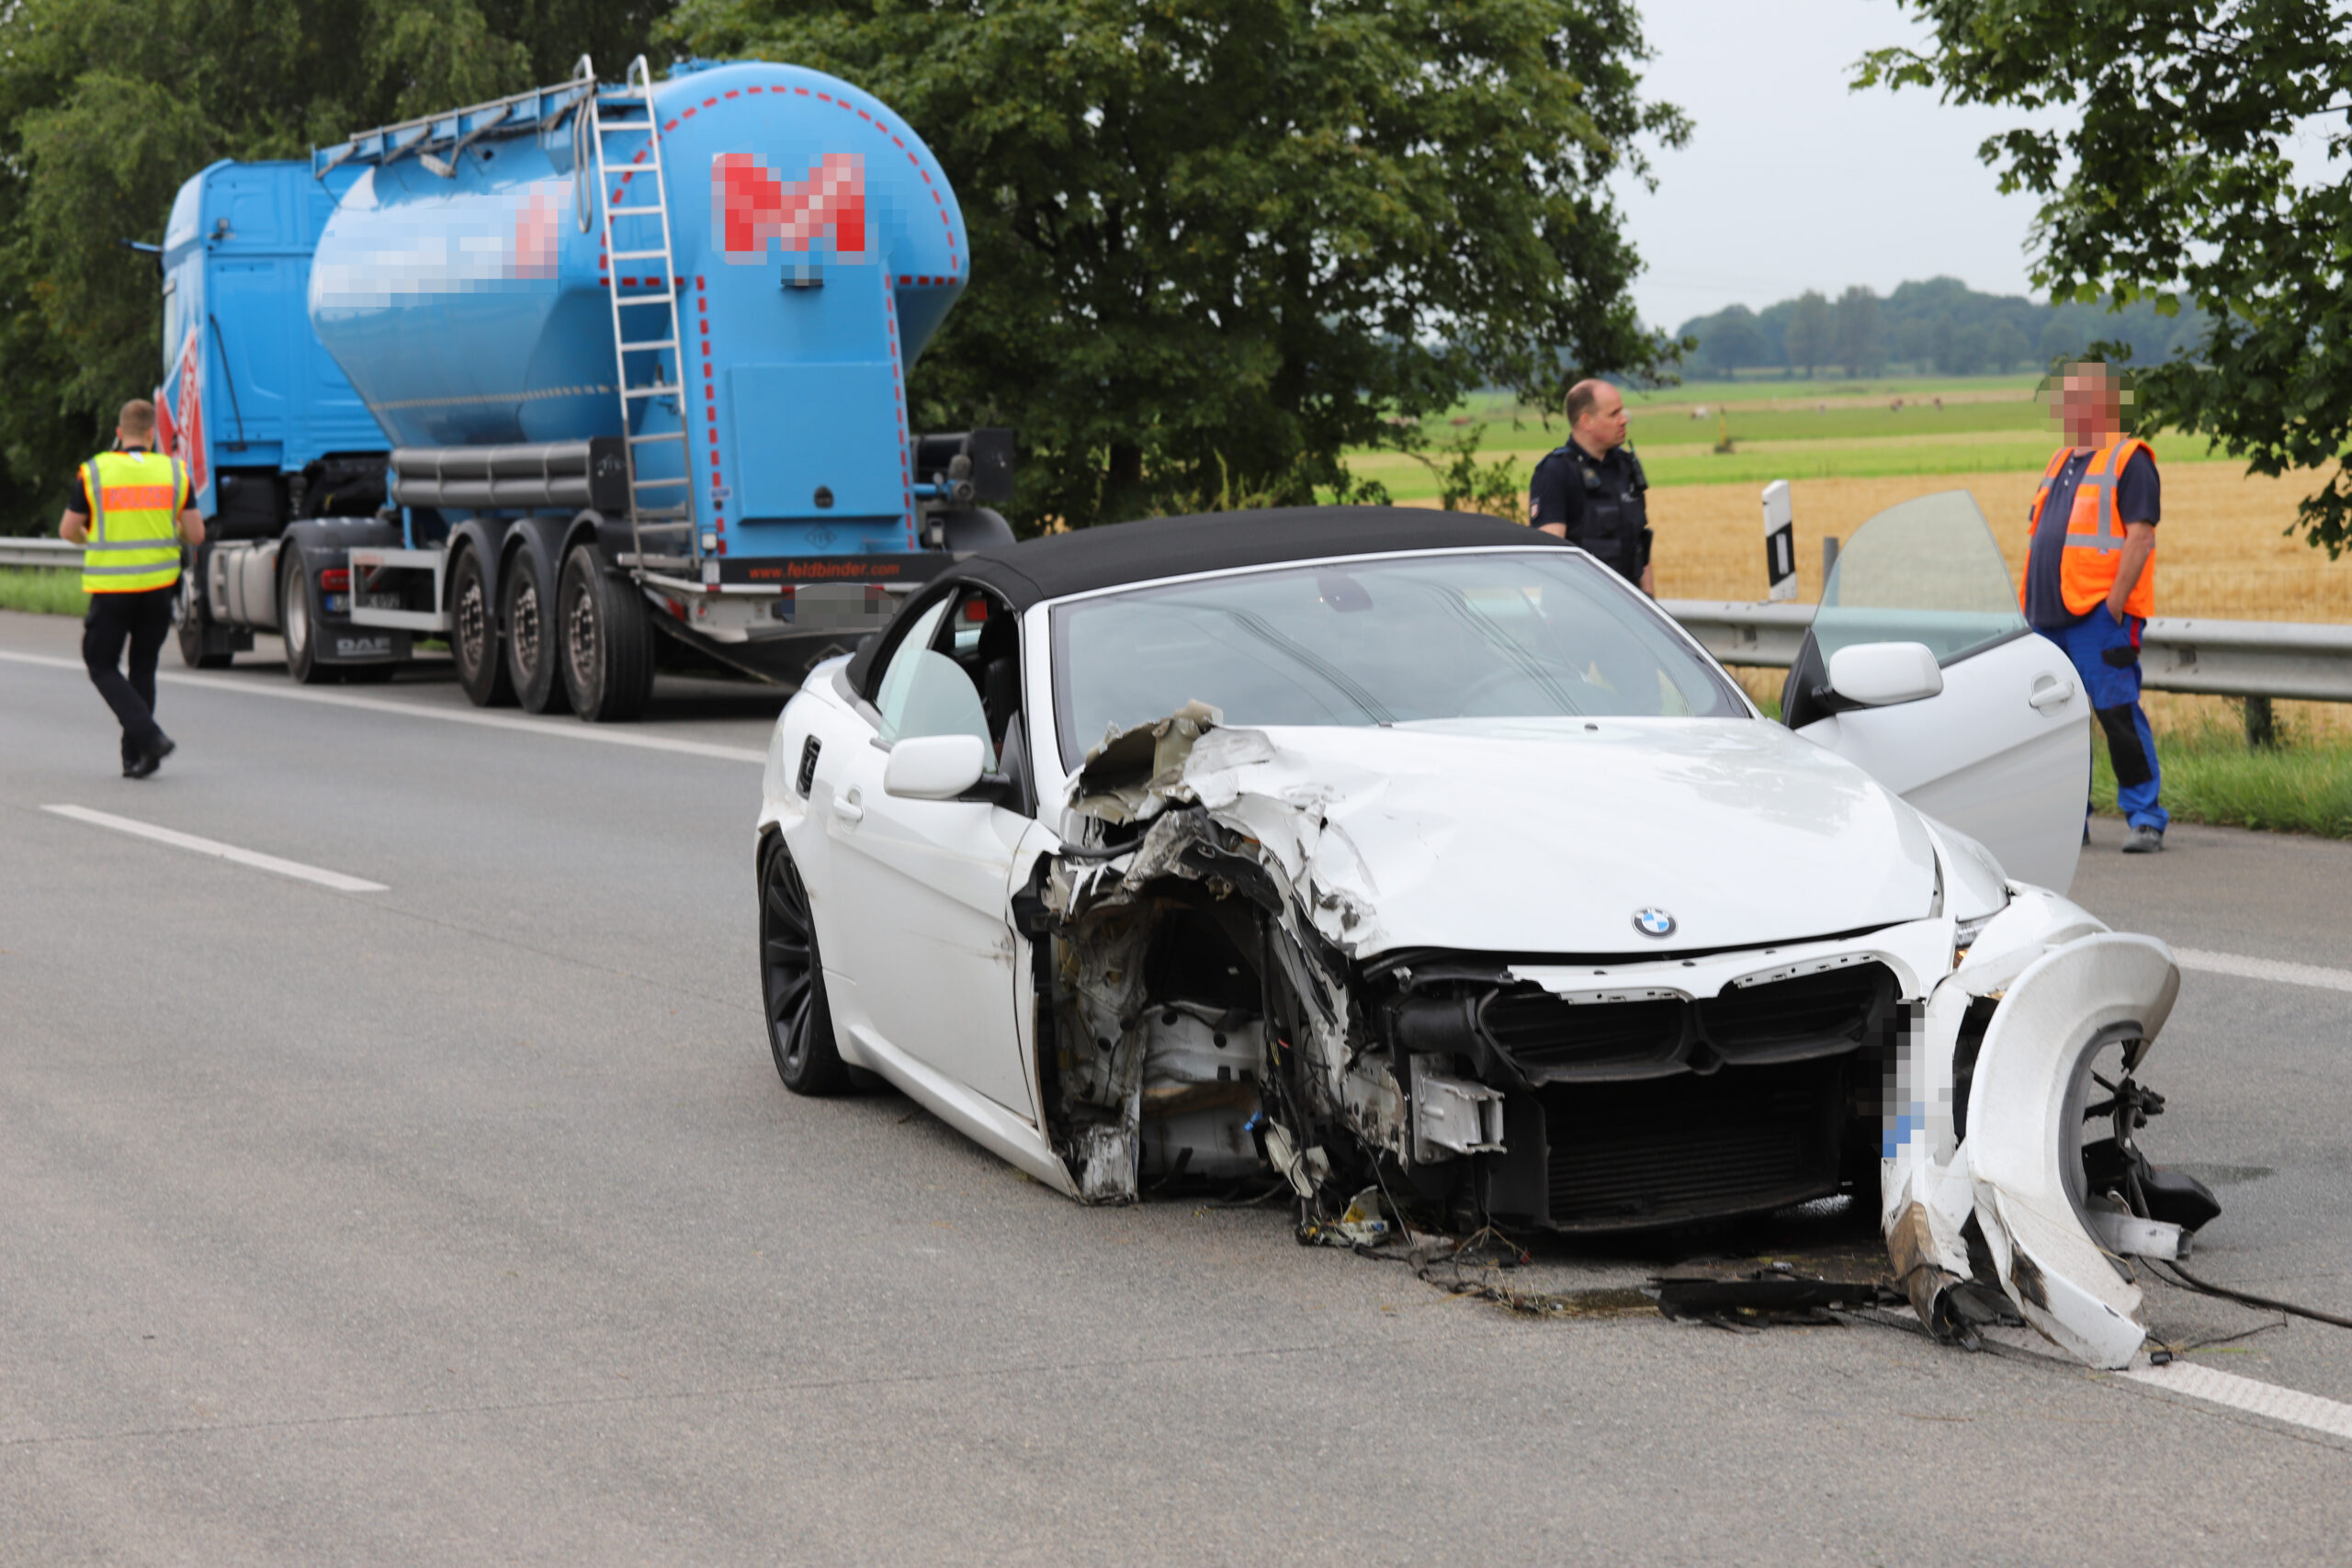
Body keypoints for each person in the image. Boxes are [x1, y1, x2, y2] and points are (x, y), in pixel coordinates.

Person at [2021, 362, 2165, 853]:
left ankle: (2145, 816)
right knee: (2056, 726)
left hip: (2098, 618)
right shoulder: (2060, 459)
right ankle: (2070, 819)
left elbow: (2141, 536)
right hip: (2047, 617)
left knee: (2116, 713)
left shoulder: (2130, 459)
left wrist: (2116, 606)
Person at [60, 400, 204, 777]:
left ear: (120, 434)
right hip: (158, 589)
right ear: (153, 435)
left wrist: (90, 536)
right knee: (144, 667)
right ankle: (137, 757)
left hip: (112, 589)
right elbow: (196, 533)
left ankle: (150, 738)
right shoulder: (174, 472)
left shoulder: (95, 472)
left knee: (101, 662)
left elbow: (67, 529)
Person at [1529, 378, 1653, 593]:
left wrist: (1651, 604)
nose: (1624, 420)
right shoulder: (1555, 471)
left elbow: (1642, 548)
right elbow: (1548, 556)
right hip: (1581, 608)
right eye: (1614, 414)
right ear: (1586, 421)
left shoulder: (1626, 467)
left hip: (1630, 607)